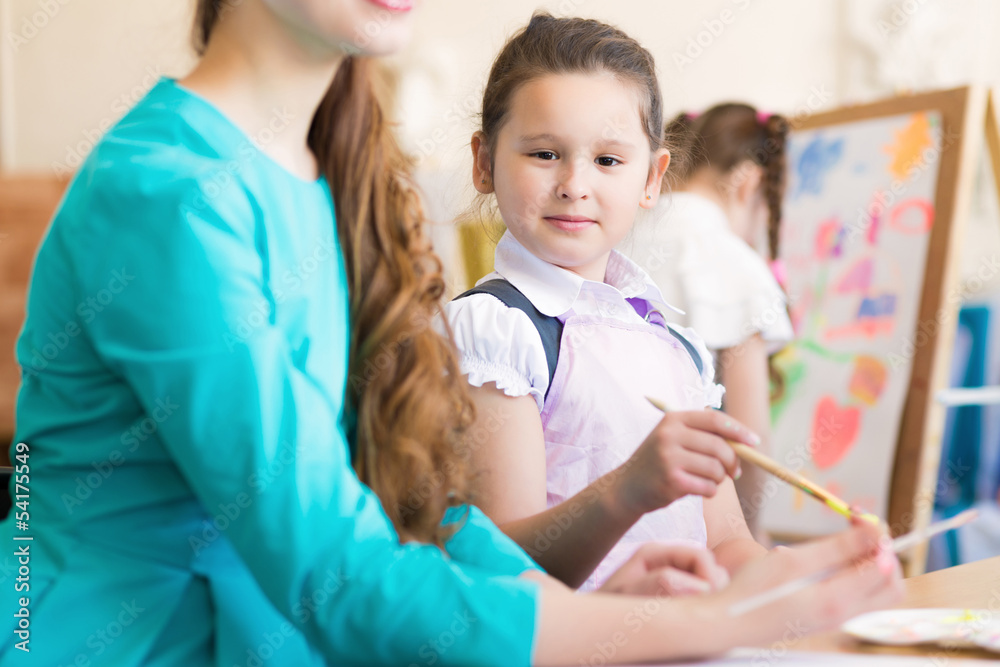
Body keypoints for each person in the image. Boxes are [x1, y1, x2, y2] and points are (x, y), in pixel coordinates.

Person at [0, 3, 901, 665]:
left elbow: (404, 522)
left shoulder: (317, 178)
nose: (574, 183)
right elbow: (338, 573)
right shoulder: (170, 195)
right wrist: (714, 623)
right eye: (545, 154)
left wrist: (571, 605)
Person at [445, 14, 771, 593]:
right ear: (484, 162)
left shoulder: (675, 346)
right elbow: (498, 570)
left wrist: (798, 575)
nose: (575, 183)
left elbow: (726, 543)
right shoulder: (497, 330)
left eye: (608, 160)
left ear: (653, 178)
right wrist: (628, 489)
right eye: (544, 154)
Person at [620, 104, 795, 537]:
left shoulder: (612, 232)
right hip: (688, 526)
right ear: (749, 183)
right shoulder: (733, 262)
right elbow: (750, 444)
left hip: (586, 516)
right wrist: (751, 543)